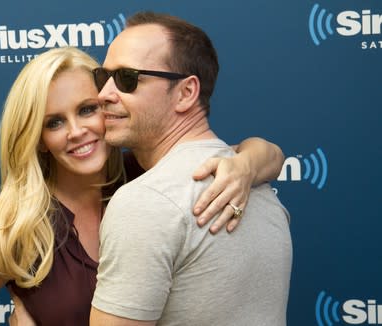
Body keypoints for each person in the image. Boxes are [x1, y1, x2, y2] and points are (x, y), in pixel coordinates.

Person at [0, 46, 285, 326]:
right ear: (37, 138)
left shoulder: (150, 178)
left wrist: (245, 166)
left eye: (87, 109)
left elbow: (267, 154)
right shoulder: (15, 226)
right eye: (54, 122)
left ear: (108, 105)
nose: (77, 132)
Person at [89, 12, 293, 326]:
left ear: (186, 93)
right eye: (103, 77)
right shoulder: (258, 186)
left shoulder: (145, 202)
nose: (104, 95)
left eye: (127, 78)